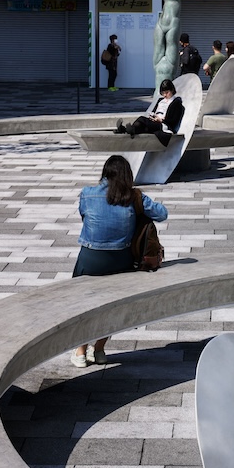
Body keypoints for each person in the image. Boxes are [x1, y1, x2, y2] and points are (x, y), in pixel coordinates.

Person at [70, 155, 168, 367]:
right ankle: (99, 350)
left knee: (83, 304)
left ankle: (80, 352)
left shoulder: (87, 193)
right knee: (112, 306)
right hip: (121, 261)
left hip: (91, 259)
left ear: (105, 173)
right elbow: (162, 214)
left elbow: (84, 216)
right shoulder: (133, 196)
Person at [114, 79, 185, 146]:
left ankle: (129, 130)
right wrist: (152, 116)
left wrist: (161, 120)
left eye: (167, 92)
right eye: (163, 93)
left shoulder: (176, 103)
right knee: (142, 126)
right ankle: (125, 130)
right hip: (155, 121)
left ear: (172, 90)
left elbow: (174, 120)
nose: (165, 95)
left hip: (164, 125)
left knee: (142, 119)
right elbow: (154, 111)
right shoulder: (161, 100)